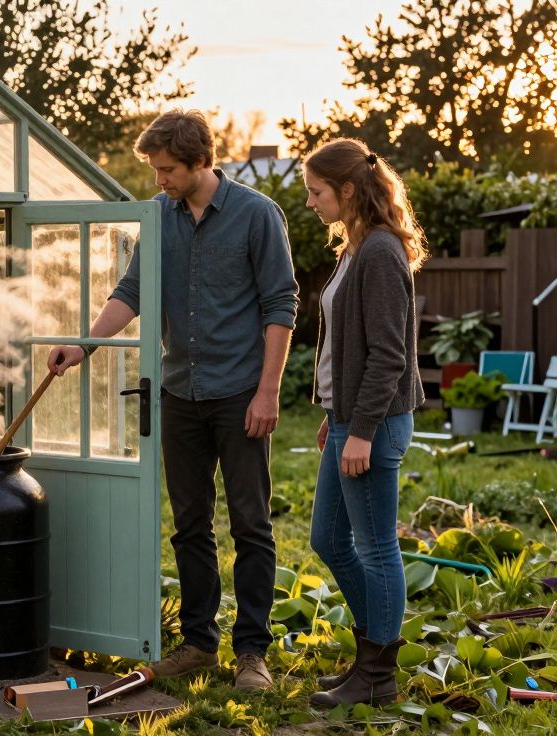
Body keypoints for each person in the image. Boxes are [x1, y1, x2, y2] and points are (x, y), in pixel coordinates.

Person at [48, 109, 298, 691]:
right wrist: (84, 344)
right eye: (155, 170)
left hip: (240, 394)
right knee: (189, 525)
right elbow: (132, 291)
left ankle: (252, 653)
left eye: (166, 170)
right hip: (179, 391)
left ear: (199, 162)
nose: (157, 180)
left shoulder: (258, 215)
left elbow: (280, 305)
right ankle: (199, 643)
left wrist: (268, 392)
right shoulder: (156, 217)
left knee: (251, 524)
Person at [302, 138, 427, 706]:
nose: (311, 203)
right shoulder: (353, 248)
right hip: (349, 419)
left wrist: (362, 430)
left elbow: (388, 355)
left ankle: (377, 675)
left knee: (376, 548)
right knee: (327, 537)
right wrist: (337, 414)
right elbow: (346, 349)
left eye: (317, 191)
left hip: (373, 426)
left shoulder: (379, 251)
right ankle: (372, 648)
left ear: (348, 189)